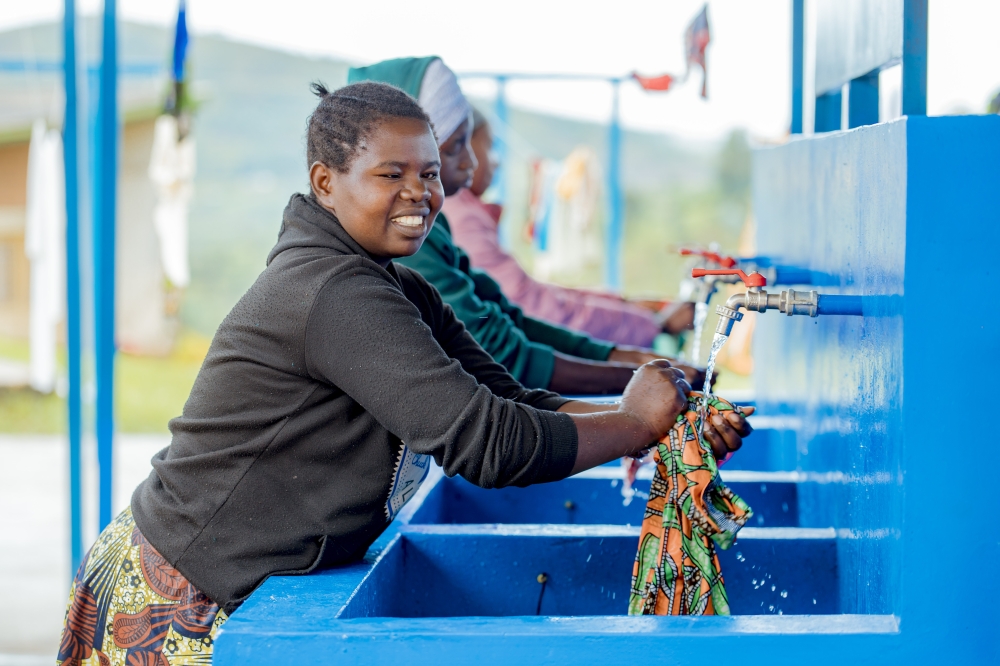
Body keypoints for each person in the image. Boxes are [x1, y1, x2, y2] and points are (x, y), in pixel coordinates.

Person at [57, 81, 753, 665]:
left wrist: (663, 425)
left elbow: (506, 399)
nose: (420, 192)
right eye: (391, 174)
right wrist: (634, 421)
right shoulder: (333, 292)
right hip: (179, 596)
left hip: (219, 582)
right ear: (325, 182)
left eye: (428, 172)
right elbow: (483, 441)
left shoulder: (394, 286)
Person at [348, 57, 702, 395]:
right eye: (457, 147)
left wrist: (626, 358)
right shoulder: (410, 240)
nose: (470, 162)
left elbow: (507, 315)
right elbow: (499, 350)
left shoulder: (435, 231)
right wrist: (634, 371)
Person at [445, 109, 696, 349]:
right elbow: (531, 307)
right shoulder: (462, 217)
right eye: (489, 147)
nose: (496, 163)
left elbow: (531, 293)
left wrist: (625, 304)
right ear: (452, 147)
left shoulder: (460, 212)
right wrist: (652, 326)